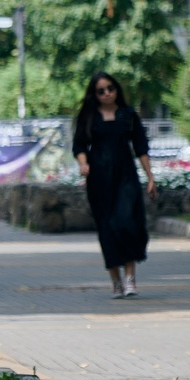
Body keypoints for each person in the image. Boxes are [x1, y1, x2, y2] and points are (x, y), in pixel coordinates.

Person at [73, 73, 154, 297]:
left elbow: (141, 147)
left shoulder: (128, 115)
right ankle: (116, 281)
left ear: (116, 89)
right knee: (107, 228)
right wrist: (83, 164)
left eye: (110, 88)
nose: (107, 93)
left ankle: (130, 278)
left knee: (126, 222)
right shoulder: (89, 117)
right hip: (99, 179)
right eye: (101, 91)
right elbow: (79, 145)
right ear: (95, 94)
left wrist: (150, 177)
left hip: (125, 176)